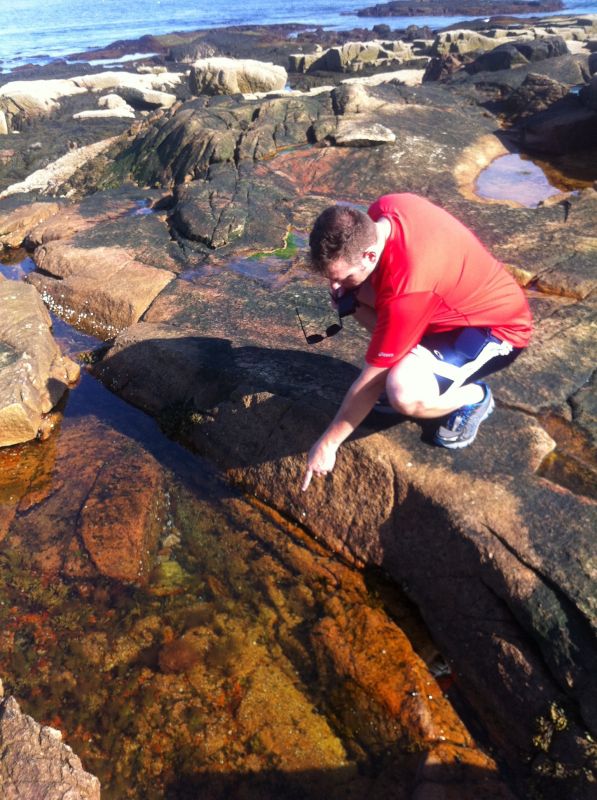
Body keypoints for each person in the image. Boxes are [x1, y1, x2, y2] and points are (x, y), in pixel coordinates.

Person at [301, 193, 532, 491]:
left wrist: (328, 444)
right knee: (350, 297)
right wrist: (348, 289)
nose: (334, 284)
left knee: (402, 392)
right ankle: (412, 354)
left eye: (342, 276)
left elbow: (371, 382)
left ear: (369, 255)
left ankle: (474, 397)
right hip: (438, 303)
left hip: (494, 328)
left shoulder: (408, 290)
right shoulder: (385, 210)